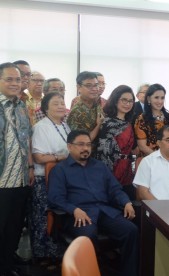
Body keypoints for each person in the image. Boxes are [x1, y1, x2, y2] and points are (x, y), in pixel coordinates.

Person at [48, 130, 138, 276]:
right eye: (81, 144)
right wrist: (74, 209)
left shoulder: (99, 166)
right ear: (70, 147)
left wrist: (126, 202)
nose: (86, 148)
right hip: (78, 214)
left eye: (88, 145)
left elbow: (115, 189)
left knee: (131, 230)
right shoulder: (60, 170)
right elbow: (55, 198)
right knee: (88, 235)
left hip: (104, 210)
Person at [0, 62, 34, 276]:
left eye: (18, 79)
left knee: (14, 226)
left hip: (20, 177)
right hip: (1, 180)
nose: (15, 83)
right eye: (9, 79)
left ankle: (6, 264)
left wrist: (30, 166)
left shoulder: (22, 106)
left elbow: (27, 138)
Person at [30, 92, 69, 267]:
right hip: (43, 179)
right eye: (56, 104)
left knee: (58, 218)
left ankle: (56, 253)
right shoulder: (41, 127)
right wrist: (61, 157)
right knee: (42, 217)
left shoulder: (66, 126)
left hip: (61, 179)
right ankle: (41, 255)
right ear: (46, 108)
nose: (61, 106)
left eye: (62, 103)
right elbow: (38, 157)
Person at [96, 85, 137, 200]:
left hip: (127, 169)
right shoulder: (107, 123)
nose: (127, 103)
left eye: (130, 101)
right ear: (115, 100)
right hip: (113, 169)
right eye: (124, 100)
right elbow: (104, 153)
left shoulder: (129, 123)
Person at [134, 83, 169, 156]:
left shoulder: (168, 116)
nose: (160, 101)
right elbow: (142, 146)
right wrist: (160, 158)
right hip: (150, 159)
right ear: (149, 99)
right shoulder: (142, 119)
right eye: (156, 97)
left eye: (162, 98)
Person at [67, 71, 103, 141]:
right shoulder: (76, 112)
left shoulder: (97, 104)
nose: (94, 89)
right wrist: (98, 125)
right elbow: (82, 141)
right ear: (79, 87)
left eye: (96, 85)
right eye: (89, 86)